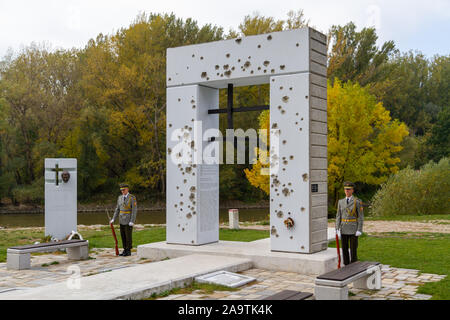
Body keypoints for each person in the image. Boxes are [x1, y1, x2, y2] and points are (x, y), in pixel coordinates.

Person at [335, 181, 364, 265]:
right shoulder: (341, 202)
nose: (347, 191)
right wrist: (337, 228)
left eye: (349, 189)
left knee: (353, 249)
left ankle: (354, 265)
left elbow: (361, 217)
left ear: (352, 190)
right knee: (344, 249)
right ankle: (346, 265)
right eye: (345, 189)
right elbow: (338, 216)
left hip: (353, 229)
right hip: (343, 228)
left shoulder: (357, 202)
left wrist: (359, 229)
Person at [110, 183, 137, 256]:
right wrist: (113, 219)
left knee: (128, 236)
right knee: (123, 235)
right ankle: (125, 249)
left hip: (128, 220)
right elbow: (117, 209)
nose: (122, 191)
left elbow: (134, 210)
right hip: (121, 219)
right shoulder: (120, 198)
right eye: (121, 190)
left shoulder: (132, 198)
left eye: (123, 190)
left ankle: (128, 250)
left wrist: (132, 221)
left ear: (127, 189)